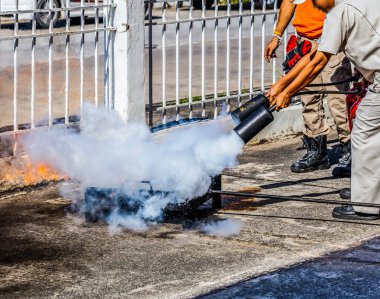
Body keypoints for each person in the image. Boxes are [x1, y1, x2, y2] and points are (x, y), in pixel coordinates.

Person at [268, 0, 380, 220]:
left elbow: (319, 61)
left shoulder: (340, 12)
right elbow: (315, 53)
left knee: (364, 135)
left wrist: (289, 93)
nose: (318, 8)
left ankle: (367, 205)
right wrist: (280, 86)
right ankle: (368, 191)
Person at [264, 0, 352, 176]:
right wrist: (277, 36)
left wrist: (284, 89)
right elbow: (289, 1)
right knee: (308, 97)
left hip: (334, 41)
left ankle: (351, 149)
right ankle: (317, 152)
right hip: (306, 41)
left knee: (338, 100)